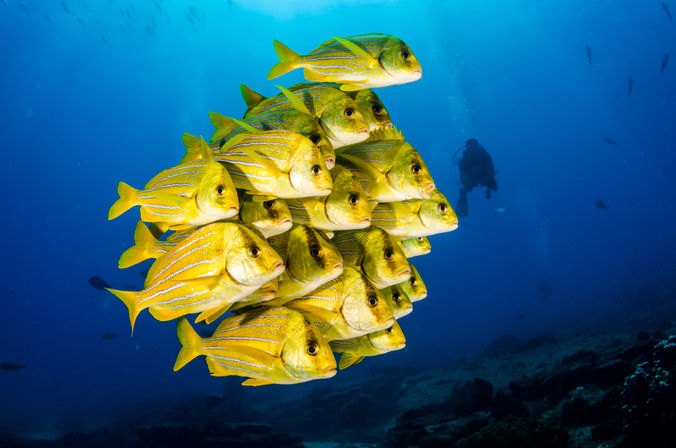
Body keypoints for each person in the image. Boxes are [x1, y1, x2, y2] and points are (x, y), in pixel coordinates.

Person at [453, 139, 497, 217]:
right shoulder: (465, 158)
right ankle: (460, 213)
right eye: (470, 148)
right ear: (467, 148)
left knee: (494, 187)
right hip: (473, 180)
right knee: (463, 190)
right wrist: (473, 178)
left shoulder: (485, 155)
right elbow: (463, 179)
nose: (473, 149)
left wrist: (479, 177)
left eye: (474, 147)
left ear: (478, 146)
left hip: (484, 178)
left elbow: (491, 173)